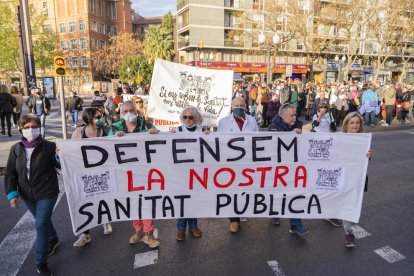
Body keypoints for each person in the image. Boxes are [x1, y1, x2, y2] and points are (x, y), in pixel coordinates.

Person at [5, 114, 61, 275]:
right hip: (26, 194)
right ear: (21, 129)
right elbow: (10, 173)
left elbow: (59, 164)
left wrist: (59, 156)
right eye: (27, 127)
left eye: (34, 127)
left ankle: (40, 261)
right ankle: (53, 238)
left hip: (47, 192)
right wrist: (12, 194)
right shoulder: (16, 149)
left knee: (40, 224)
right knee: (42, 220)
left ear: (39, 128)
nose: (31, 130)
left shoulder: (49, 146)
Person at [108, 100, 160, 248]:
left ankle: (149, 233)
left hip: (145, 173)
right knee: (132, 204)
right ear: (121, 113)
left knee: (146, 203)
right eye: (125, 111)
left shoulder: (147, 126)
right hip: (125, 174)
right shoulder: (114, 128)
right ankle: (138, 231)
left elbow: (164, 142)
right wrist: (113, 138)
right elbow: (105, 147)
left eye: (132, 110)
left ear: (137, 111)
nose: (129, 114)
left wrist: (155, 134)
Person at [71, 108, 113, 247]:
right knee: (85, 202)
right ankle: (85, 234)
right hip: (85, 174)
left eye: (101, 116)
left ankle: (106, 221)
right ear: (89, 119)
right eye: (97, 116)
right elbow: (71, 151)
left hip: (103, 172)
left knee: (103, 198)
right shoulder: (79, 132)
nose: (100, 118)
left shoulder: (106, 130)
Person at [217, 97, 259, 233]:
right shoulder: (223, 122)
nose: (239, 107)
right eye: (236, 105)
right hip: (231, 162)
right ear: (232, 106)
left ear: (245, 106)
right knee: (232, 189)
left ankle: (242, 212)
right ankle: (234, 220)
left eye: (242, 105)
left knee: (245, 188)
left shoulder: (251, 120)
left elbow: (258, 139)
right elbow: (218, 141)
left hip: (248, 161)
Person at [268, 103, 309, 237]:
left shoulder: (298, 124)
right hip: (278, 169)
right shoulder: (273, 127)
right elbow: (274, 144)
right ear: (282, 115)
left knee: (295, 195)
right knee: (278, 193)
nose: (294, 117)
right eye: (291, 115)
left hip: (294, 167)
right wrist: (290, 134)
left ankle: (296, 225)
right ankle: (274, 212)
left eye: (295, 115)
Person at [172, 107, 210, 241]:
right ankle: (180, 228)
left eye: (191, 117)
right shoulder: (177, 130)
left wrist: (209, 135)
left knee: (193, 199)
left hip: (197, 172)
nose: (187, 120)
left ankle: (193, 226)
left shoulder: (202, 130)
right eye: (185, 117)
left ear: (196, 118)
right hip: (181, 172)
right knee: (183, 200)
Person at [341, 112, 373, 247]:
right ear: (346, 124)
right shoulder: (339, 139)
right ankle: (348, 233)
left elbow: (363, 163)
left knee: (352, 205)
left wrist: (368, 156)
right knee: (345, 205)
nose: (355, 125)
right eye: (352, 123)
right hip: (342, 177)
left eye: (357, 123)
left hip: (357, 178)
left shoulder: (364, 140)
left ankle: (347, 230)